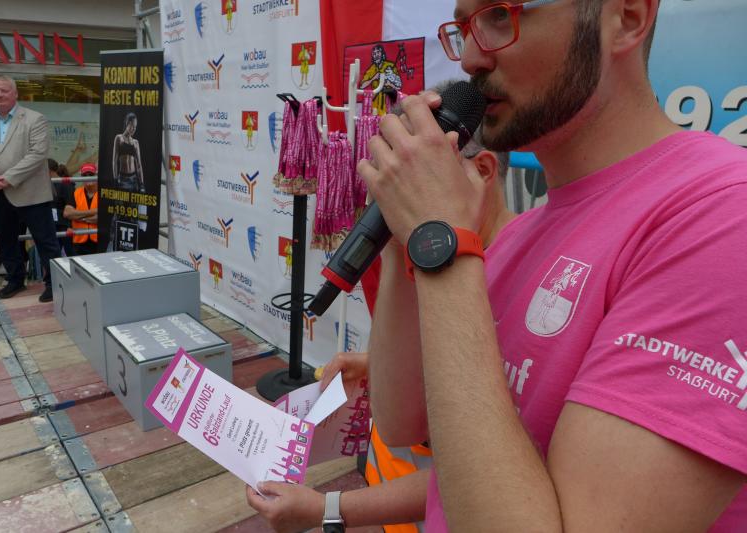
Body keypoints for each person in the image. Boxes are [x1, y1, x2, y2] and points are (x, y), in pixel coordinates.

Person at [343, 0, 747, 531]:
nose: (469, 58)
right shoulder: (522, 233)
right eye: (462, 28)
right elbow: (402, 420)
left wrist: (439, 241)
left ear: (626, 17)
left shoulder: (723, 215)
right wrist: (406, 232)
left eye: (499, 15)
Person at [247, 125, 515, 532]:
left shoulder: (518, 274)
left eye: (417, 170)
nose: (399, 191)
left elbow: (486, 472)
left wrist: (329, 508)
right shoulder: (429, 253)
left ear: (481, 170)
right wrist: (375, 362)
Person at [0, 74, 60, 302]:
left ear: (15, 93)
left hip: (31, 193)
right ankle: (15, 279)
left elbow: (38, 154)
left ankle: (55, 284)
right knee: (6, 240)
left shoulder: (35, 119)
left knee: (45, 240)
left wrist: (8, 178)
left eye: (4, 90)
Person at [64, 163, 99, 256]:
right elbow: (67, 213)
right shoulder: (76, 192)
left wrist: (77, 217)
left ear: (96, 175)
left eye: (91, 174)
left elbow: (102, 218)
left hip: (99, 241)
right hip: (79, 242)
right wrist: (94, 211)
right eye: (85, 175)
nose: (88, 177)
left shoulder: (104, 192)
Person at [112, 113, 145, 193]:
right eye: (132, 126)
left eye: (135, 127)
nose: (133, 129)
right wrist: (115, 179)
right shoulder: (119, 138)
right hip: (122, 179)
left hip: (134, 179)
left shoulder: (135, 142)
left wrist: (142, 184)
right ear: (127, 123)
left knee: (134, 201)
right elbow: (114, 161)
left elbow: (139, 165)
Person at [49, 159, 75, 257]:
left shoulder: (65, 184)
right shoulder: (48, 184)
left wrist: (70, 226)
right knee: (54, 254)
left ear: (49, 170)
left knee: (70, 252)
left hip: (64, 225)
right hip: (53, 224)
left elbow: (71, 205)